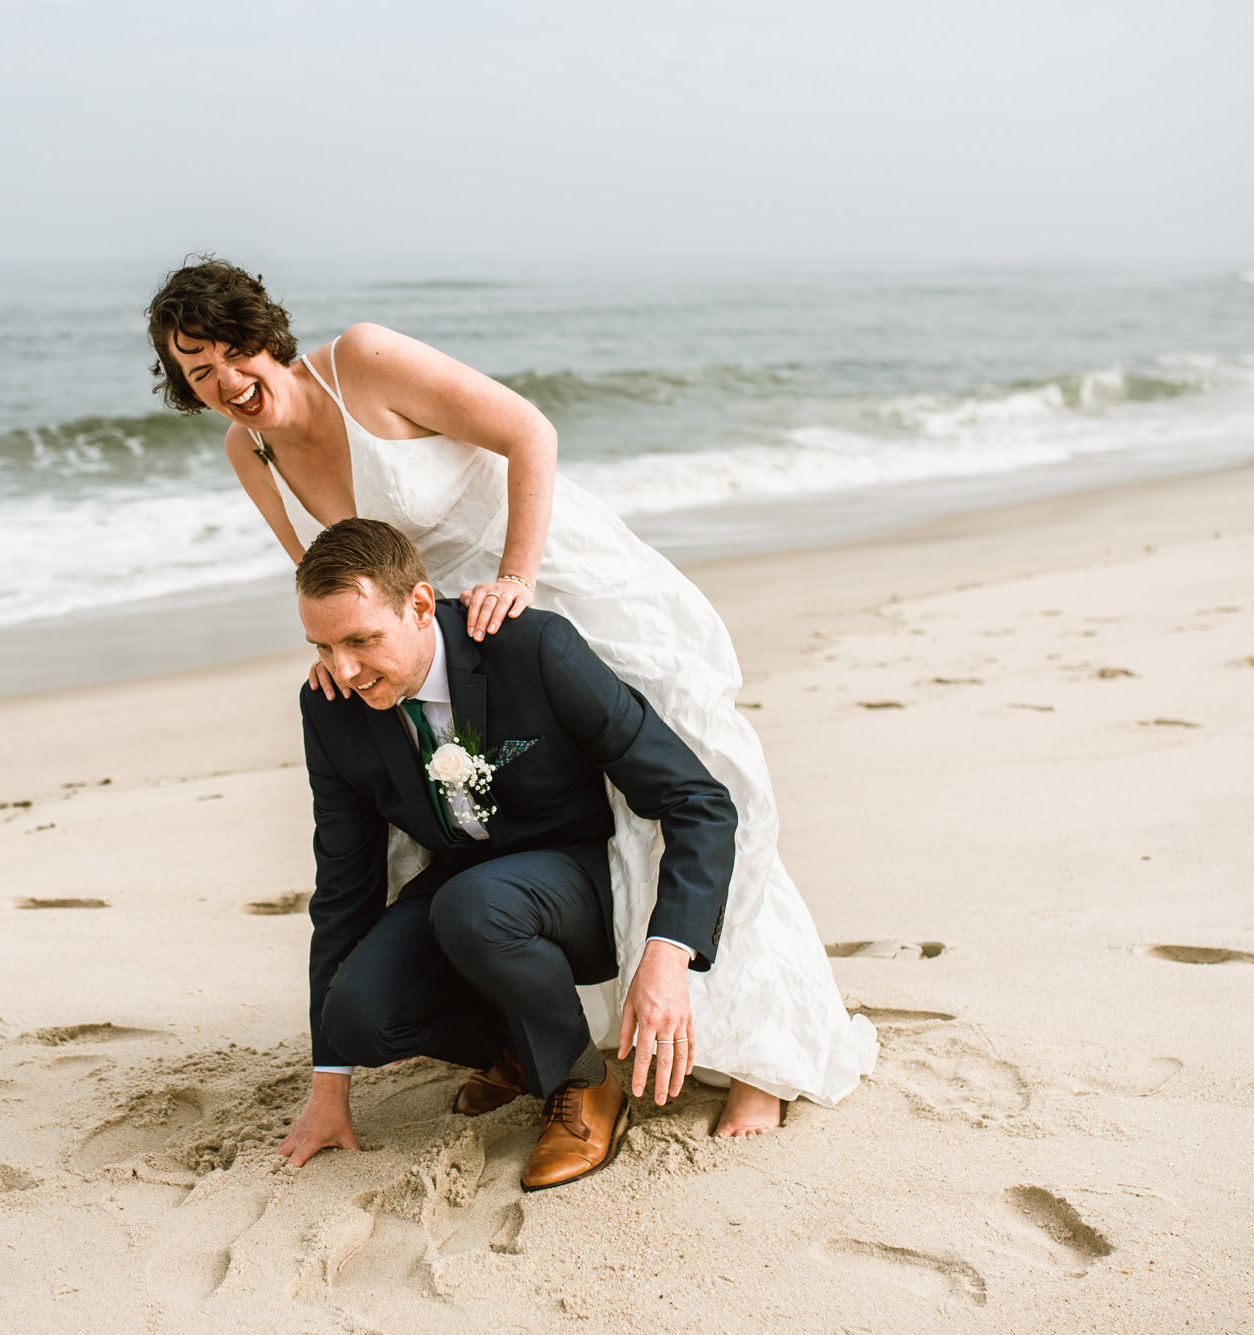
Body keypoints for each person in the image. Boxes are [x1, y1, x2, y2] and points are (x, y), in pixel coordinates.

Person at [146, 259, 877, 1137]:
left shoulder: (365, 363)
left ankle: (766, 1051)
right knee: (477, 831)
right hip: (426, 636)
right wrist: (339, 649)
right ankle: (547, 1040)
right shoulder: (247, 449)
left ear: (265, 338)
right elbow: (325, 565)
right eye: (198, 373)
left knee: (678, 791)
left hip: (539, 583)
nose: (225, 383)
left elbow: (529, 432)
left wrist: (516, 578)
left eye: (231, 355)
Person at [282, 519, 735, 1186]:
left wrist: (668, 952)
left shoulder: (531, 648)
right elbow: (343, 887)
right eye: (323, 645)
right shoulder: (330, 706)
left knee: (474, 905)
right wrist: (329, 1085)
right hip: (463, 888)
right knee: (354, 1018)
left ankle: (584, 1082)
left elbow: (699, 799)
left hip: (570, 882)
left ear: (418, 605)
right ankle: (520, 1049)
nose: (342, 670)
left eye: (360, 640)